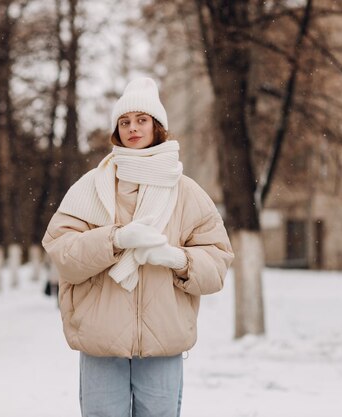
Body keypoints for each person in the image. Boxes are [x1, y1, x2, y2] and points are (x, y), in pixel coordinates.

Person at [42, 77, 234, 417]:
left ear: (157, 127)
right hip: (101, 341)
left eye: (141, 120)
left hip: (163, 341)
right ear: (117, 130)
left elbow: (217, 265)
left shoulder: (186, 192)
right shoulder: (90, 187)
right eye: (125, 121)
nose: (133, 128)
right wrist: (114, 239)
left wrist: (178, 259)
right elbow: (63, 254)